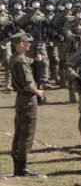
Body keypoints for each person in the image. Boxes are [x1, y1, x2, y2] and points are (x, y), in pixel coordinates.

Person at [8, 32, 45, 176]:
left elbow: (27, 64)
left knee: (19, 131)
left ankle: (18, 165)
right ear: (20, 44)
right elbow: (29, 85)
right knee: (27, 132)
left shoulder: (15, 58)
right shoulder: (21, 60)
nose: (29, 44)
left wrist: (35, 61)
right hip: (28, 99)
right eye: (27, 42)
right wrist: (39, 92)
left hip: (20, 99)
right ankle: (22, 167)